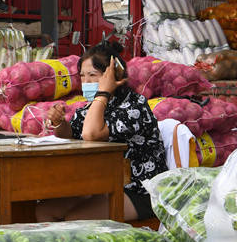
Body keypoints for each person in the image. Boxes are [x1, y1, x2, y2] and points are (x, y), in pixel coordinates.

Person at [36, 39, 166, 222]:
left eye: (92, 75)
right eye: (82, 76)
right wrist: (59, 123)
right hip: (102, 186)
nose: (86, 81)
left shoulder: (134, 106)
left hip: (139, 190)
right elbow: (71, 133)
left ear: (113, 75)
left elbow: (91, 134)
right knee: (44, 211)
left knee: (77, 218)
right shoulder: (90, 107)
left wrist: (103, 92)